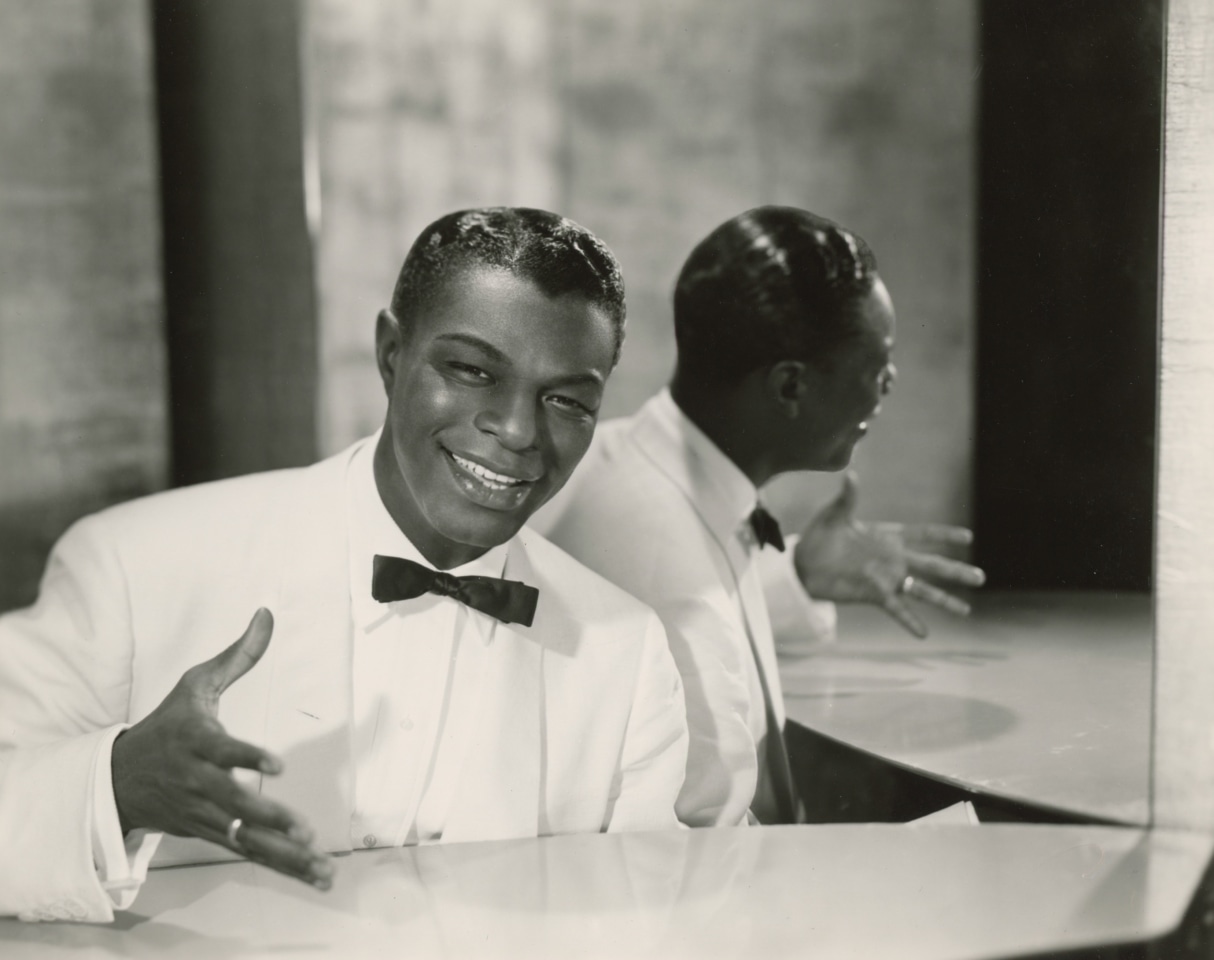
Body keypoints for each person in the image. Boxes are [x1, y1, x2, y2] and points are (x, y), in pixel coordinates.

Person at [0, 208, 689, 923]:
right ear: (392, 354)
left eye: (566, 400)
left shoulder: (627, 653)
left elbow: (640, 915)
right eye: (473, 371)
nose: (516, 431)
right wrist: (114, 786)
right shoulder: (131, 566)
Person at [533, 206, 984, 828]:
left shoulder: (633, 458)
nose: (889, 382)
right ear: (791, 388)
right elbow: (705, 848)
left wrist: (795, 572)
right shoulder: (668, 572)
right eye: (875, 363)